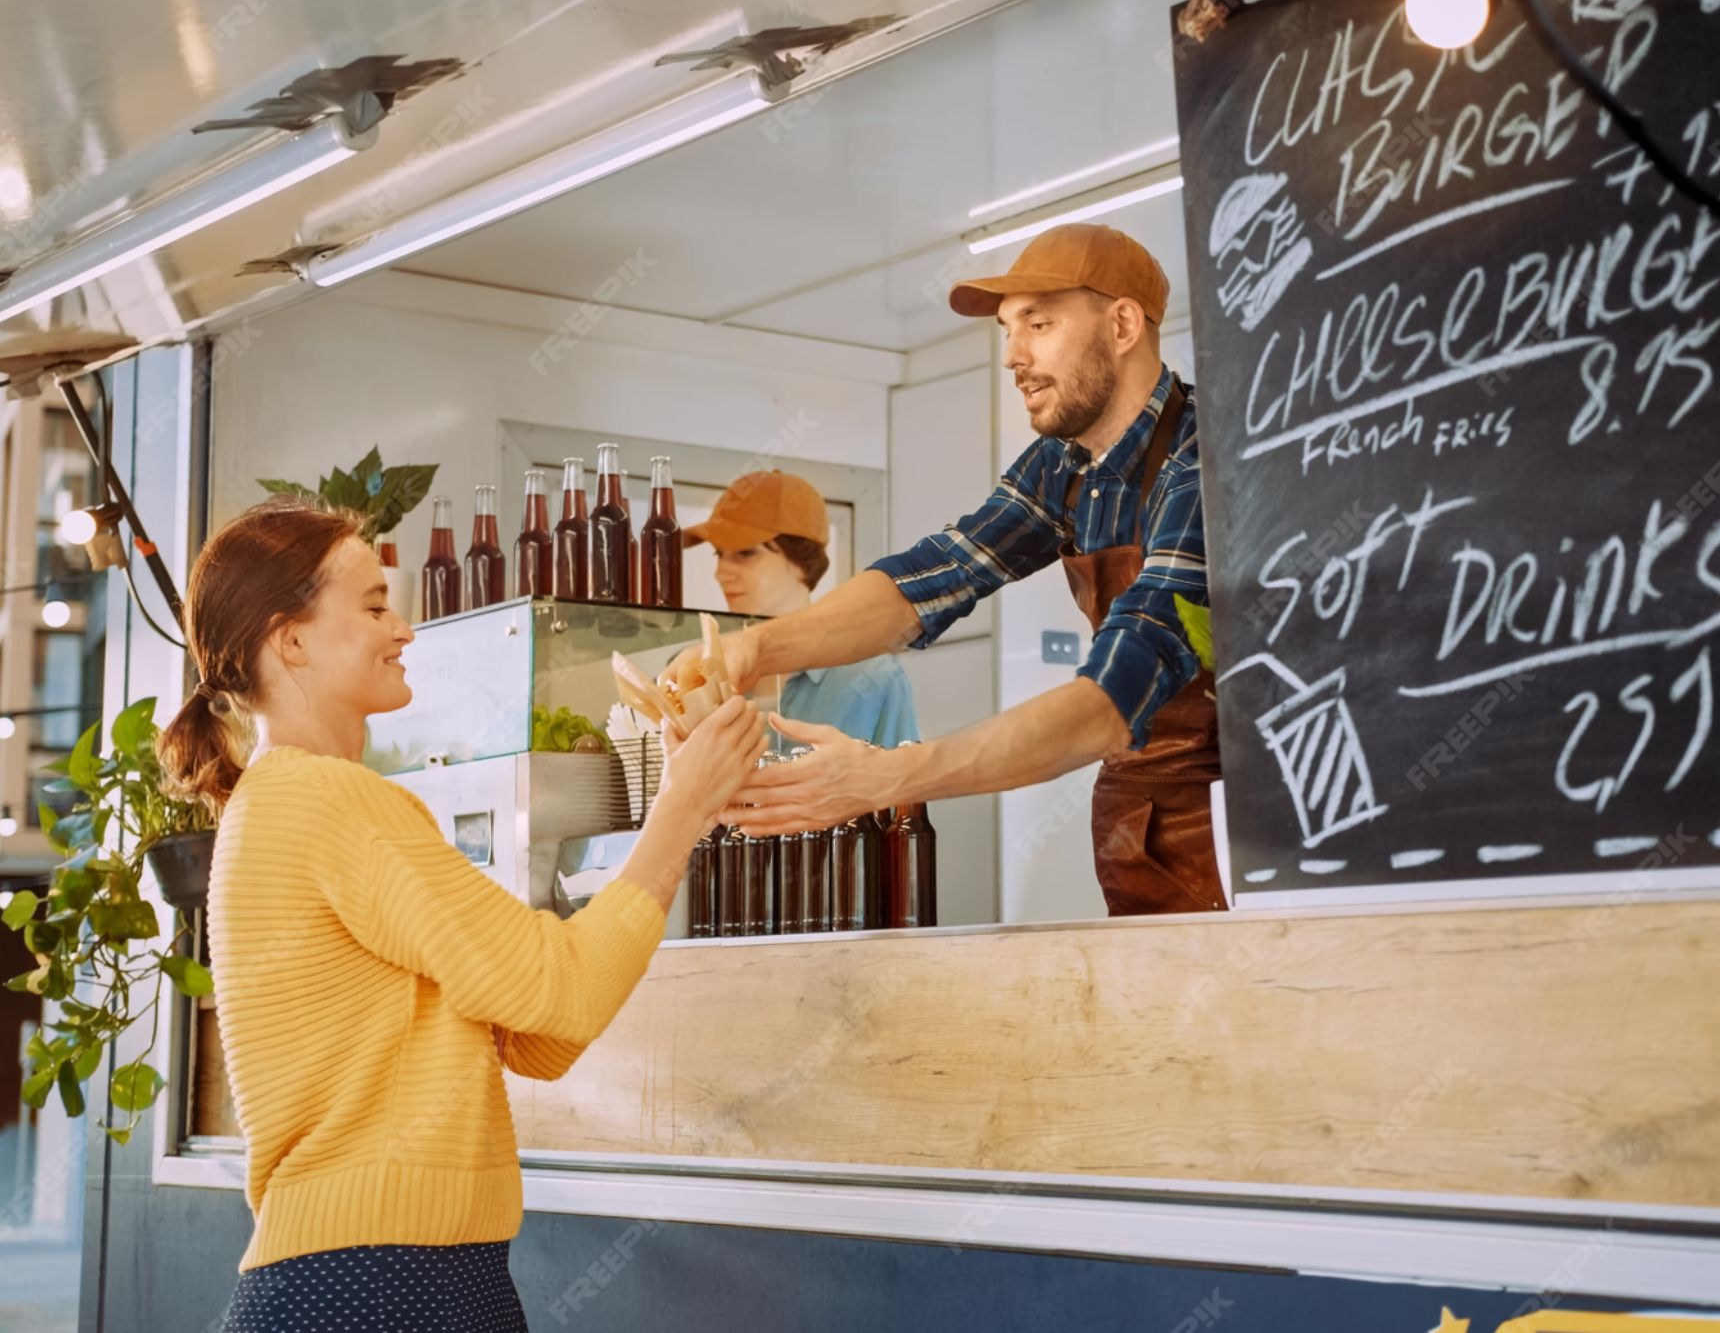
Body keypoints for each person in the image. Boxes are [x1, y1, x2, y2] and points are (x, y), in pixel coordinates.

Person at [157, 498, 765, 1333]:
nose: (403, 629)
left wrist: (677, 809)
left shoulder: (287, 802)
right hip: (377, 1283)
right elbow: (566, 989)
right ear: (289, 638)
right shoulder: (331, 799)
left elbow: (540, 1033)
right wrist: (681, 810)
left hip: (391, 1274)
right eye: (373, 606)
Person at [673, 223, 1222, 916]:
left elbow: (1113, 702)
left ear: (1121, 325)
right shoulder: (1064, 466)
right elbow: (938, 574)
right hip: (1137, 819)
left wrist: (888, 776)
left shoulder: (1205, 459)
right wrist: (758, 649)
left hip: (1243, 826)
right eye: (1006, 331)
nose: (1013, 357)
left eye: (1039, 324)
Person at [686, 469, 920, 750]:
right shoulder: (707, 671)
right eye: (719, 555)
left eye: (745, 553)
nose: (721, 573)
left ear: (801, 561)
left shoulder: (873, 678)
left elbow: (904, 790)